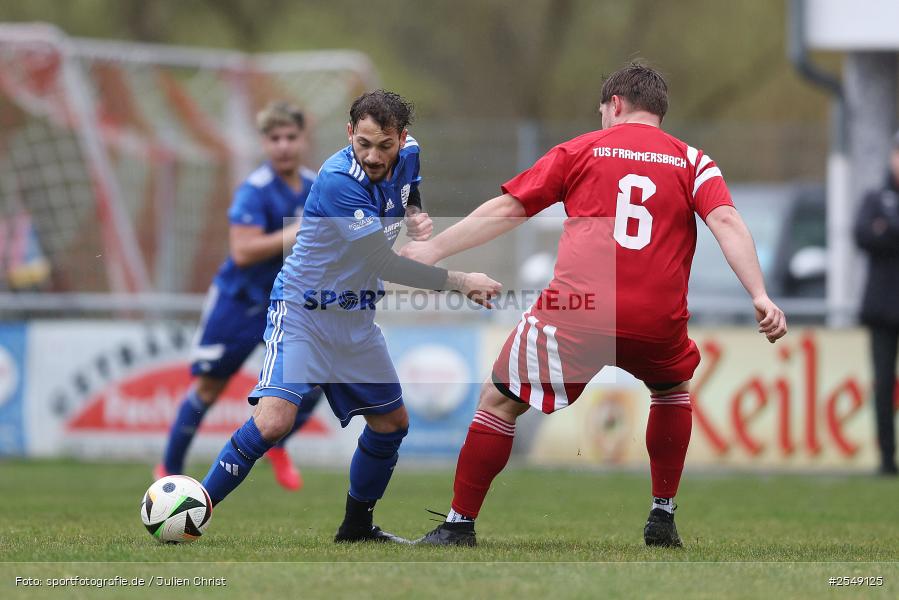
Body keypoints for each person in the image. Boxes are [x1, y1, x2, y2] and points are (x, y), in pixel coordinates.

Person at [402, 63, 787, 548]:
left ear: (616, 105)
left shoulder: (582, 149)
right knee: (672, 390)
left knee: (498, 400)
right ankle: (662, 515)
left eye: (603, 109)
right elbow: (726, 221)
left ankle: (459, 524)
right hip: (656, 318)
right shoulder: (693, 161)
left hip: (579, 312)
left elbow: (510, 209)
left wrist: (433, 252)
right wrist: (759, 294)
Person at [200, 89, 502, 543]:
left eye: (384, 145)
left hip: (355, 318)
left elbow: (409, 185)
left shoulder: (410, 154)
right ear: (349, 134)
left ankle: (356, 527)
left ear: (403, 138)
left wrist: (416, 212)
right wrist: (460, 281)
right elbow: (383, 263)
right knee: (275, 421)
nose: (374, 156)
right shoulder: (339, 181)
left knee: (391, 424)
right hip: (304, 311)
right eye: (363, 143)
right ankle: (192, 509)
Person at [155, 101, 324, 491]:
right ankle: (169, 471)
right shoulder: (255, 190)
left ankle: (278, 443)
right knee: (209, 388)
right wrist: (296, 231)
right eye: (274, 138)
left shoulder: (317, 185)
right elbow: (242, 251)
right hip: (240, 302)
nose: (283, 145)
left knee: (314, 382)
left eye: (290, 137)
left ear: (303, 140)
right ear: (264, 143)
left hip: (287, 304)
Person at [854, 129, 899, 477]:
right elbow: (864, 234)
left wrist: (889, 230)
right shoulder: (876, 197)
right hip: (882, 310)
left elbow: (881, 234)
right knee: (883, 385)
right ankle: (886, 460)